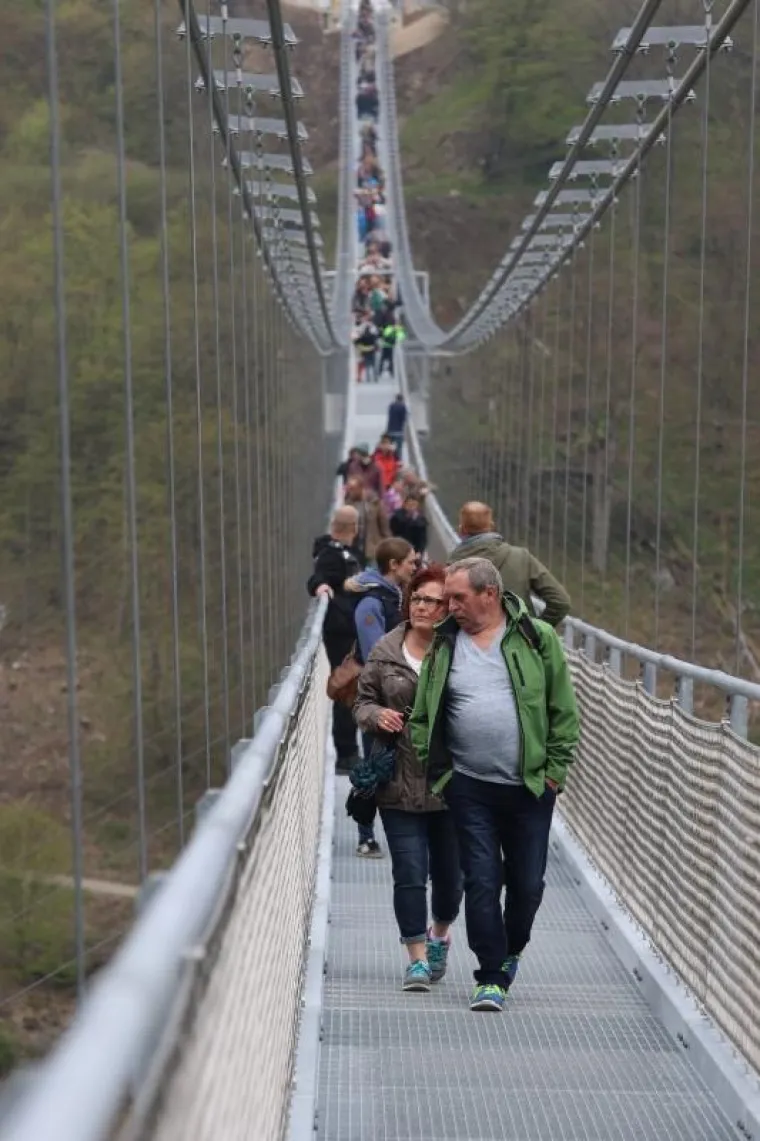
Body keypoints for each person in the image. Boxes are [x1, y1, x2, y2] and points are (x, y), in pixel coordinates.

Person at [410, 557, 579, 1012]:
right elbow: (422, 715)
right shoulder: (444, 644)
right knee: (482, 881)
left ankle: (511, 952)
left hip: (529, 788)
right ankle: (489, 977)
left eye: (458, 598)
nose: (450, 606)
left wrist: (553, 774)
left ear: (489, 594)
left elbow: (563, 711)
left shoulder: (535, 639)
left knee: (527, 886)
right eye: (447, 598)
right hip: (469, 785)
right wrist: (440, 771)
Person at [354, 564, 462, 991]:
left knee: (451, 878)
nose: (422, 606)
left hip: (450, 784)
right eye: (417, 598)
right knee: (410, 872)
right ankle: (416, 956)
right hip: (397, 780)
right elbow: (362, 702)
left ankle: (440, 934)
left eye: (433, 601)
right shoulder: (386, 649)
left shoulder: (461, 651)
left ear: (447, 608)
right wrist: (375, 714)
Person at [349, 537, 418, 856]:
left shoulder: (397, 596)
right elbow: (374, 653)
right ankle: (366, 835)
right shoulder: (371, 603)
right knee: (373, 767)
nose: (416, 568)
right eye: (411, 563)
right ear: (394, 565)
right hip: (379, 699)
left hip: (402, 696)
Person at [448, 501, 570, 627]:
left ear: (461, 529)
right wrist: (534, 632)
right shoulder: (521, 557)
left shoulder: (451, 568)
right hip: (519, 642)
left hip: (469, 643)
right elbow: (561, 602)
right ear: (491, 526)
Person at [307, 507, 363, 773]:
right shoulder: (332, 552)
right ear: (354, 527)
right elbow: (319, 576)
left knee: (352, 687)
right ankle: (347, 753)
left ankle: (349, 750)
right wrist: (320, 586)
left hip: (349, 628)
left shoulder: (341, 550)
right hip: (341, 630)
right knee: (347, 688)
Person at [344, 475, 390, 565]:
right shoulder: (348, 503)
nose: (350, 492)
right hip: (355, 548)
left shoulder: (374, 502)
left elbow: (384, 526)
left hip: (372, 548)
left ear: (360, 488)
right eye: (349, 489)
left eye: (352, 489)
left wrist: (388, 545)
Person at [386, 393, 407, 460]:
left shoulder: (391, 406)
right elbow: (403, 419)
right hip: (399, 431)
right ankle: (397, 461)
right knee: (399, 449)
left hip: (390, 430)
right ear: (402, 399)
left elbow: (389, 417)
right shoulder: (403, 407)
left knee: (389, 447)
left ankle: (389, 459)